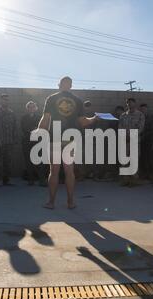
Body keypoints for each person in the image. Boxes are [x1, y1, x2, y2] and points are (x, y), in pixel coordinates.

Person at [37, 77, 98, 209]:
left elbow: (45, 119)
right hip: (71, 138)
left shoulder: (51, 98)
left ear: (59, 85)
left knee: (53, 171)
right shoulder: (78, 100)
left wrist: (40, 133)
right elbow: (83, 122)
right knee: (69, 171)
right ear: (71, 86)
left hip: (55, 138)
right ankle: (70, 203)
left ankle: (51, 203)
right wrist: (95, 118)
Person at [118, 98, 145, 187]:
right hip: (124, 141)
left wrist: (131, 136)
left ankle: (134, 180)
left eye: (131, 102)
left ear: (135, 103)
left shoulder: (140, 115)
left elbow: (140, 127)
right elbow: (120, 127)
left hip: (134, 141)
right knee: (124, 160)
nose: (129, 104)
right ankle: (125, 179)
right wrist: (124, 136)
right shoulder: (123, 115)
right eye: (128, 103)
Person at [21, 101, 47, 186]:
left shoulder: (40, 117)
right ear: (27, 108)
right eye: (29, 107)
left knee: (40, 161)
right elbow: (24, 128)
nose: (31, 108)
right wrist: (35, 129)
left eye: (33, 107)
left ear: (36, 108)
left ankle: (42, 180)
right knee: (28, 162)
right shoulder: (24, 118)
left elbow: (42, 128)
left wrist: (35, 129)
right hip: (27, 142)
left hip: (38, 142)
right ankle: (30, 180)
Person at [0, 93, 17, 186]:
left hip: (9, 141)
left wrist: (14, 139)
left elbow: (14, 127)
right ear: (0, 100)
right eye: (4, 99)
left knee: (8, 161)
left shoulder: (11, 113)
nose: (5, 101)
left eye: (7, 100)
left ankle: (6, 180)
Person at [139, 103, 153, 180]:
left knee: (149, 158)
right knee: (142, 158)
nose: (143, 110)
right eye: (142, 109)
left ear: (147, 109)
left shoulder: (151, 118)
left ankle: (150, 174)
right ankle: (144, 174)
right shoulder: (139, 117)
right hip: (140, 141)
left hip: (149, 141)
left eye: (144, 109)